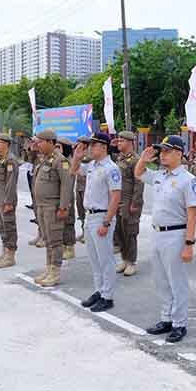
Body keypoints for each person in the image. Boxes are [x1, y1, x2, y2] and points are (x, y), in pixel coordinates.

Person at [134, 135, 196, 344]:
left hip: (176, 234)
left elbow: (192, 214)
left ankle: (179, 323)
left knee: (176, 281)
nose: (162, 154)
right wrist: (143, 159)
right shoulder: (160, 175)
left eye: (167, 151)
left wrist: (189, 244)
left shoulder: (188, 180)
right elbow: (139, 174)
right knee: (161, 280)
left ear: (179, 154)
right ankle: (166, 318)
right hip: (157, 233)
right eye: (161, 151)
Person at [70, 132, 122, 312]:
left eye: (94, 145)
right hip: (89, 215)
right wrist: (76, 157)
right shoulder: (92, 165)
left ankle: (107, 296)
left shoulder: (111, 168)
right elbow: (74, 170)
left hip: (102, 216)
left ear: (104, 147)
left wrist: (107, 222)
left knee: (105, 259)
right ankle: (99, 291)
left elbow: (116, 197)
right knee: (94, 258)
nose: (90, 148)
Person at [27, 129, 73, 287]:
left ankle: (55, 271)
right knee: (48, 240)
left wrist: (63, 207)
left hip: (53, 207)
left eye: (40, 142)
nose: (37, 145)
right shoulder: (44, 159)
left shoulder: (60, 161)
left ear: (50, 142)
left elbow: (66, 185)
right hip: (41, 206)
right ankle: (49, 268)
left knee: (55, 241)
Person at [113, 131, 145, 276]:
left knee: (130, 232)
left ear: (130, 142)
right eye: (118, 141)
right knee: (120, 230)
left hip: (129, 200)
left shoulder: (136, 160)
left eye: (121, 141)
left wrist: (135, 202)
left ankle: (131, 261)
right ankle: (124, 259)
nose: (118, 143)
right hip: (118, 200)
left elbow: (139, 183)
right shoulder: (119, 158)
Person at [0, 133, 20, 268]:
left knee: (9, 227)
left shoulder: (10, 160)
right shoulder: (0, 158)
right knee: (2, 227)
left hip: (6, 200)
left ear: (6, 144)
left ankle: (10, 255)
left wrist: (9, 202)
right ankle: (4, 252)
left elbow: (11, 183)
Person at [57, 137, 78, 260]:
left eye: (59, 147)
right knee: (61, 223)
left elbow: (68, 183)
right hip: (60, 195)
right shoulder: (60, 161)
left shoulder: (67, 162)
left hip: (67, 196)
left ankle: (70, 247)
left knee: (68, 222)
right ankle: (64, 246)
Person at [74, 135, 91, 243]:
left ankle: (88, 234)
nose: (77, 144)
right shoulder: (78, 153)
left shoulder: (89, 155)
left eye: (79, 142)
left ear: (85, 144)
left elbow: (85, 164)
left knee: (87, 211)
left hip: (86, 186)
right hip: (79, 185)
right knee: (80, 211)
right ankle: (83, 231)